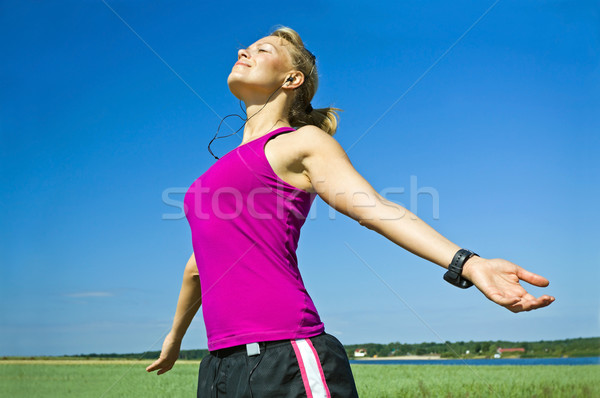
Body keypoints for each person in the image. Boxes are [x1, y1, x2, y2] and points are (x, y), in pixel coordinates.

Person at [146, 26, 555, 397]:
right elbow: (200, 265)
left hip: (285, 355)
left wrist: (467, 263)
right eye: (246, 47)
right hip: (219, 366)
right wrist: (175, 337)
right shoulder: (214, 175)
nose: (243, 50)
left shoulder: (300, 142)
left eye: (262, 49)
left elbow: (375, 208)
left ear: (292, 80)